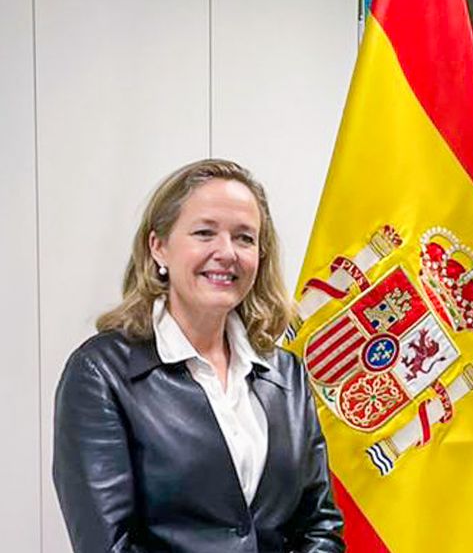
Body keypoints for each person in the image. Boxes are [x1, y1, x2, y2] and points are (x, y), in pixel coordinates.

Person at [53, 159, 344, 552]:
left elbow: (319, 525)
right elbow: (108, 546)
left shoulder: (286, 373)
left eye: (244, 238)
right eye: (205, 232)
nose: (227, 253)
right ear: (159, 247)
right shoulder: (101, 373)